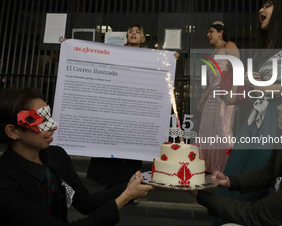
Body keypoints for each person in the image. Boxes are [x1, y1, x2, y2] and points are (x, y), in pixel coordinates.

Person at [195, 72, 282, 225]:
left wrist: (202, 196)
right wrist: (231, 181)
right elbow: (272, 170)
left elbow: (257, 215)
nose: (279, 107)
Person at [0, 88, 154, 225]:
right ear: (13, 131)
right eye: (42, 121)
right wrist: (126, 196)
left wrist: (131, 184)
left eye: (50, 117)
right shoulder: (5, 180)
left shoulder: (56, 156)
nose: (54, 126)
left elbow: (86, 203)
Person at [217, 0, 282, 203]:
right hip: (256, 117)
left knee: (261, 169)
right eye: (261, 6)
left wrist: (265, 86)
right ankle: (228, 214)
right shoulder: (266, 47)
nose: (261, 10)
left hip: (279, 114)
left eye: (268, 6)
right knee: (237, 166)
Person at [87, 24, 179, 188]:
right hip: (117, 106)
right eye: (131, 31)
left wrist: (172, 58)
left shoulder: (150, 56)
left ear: (143, 38)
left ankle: (127, 187)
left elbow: (160, 73)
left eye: (138, 32)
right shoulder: (116, 53)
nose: (133, 33)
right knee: (111, 145)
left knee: (132, 149)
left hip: (136, 110)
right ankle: (109, 187)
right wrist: (68, 47)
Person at [197, 21, 240, 174]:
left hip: (225, 96)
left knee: (224, 130)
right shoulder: (212, 53)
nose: (208, 35)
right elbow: (213, 82)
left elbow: (238, 69)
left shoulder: (229, 46)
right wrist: (203, 99)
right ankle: (211, 166)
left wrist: (234, 93)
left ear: (220, 33)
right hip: (212, 97)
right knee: (208, 131)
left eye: (211, 32)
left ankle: (230, 168)